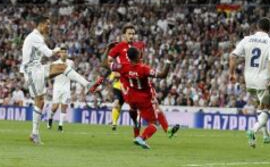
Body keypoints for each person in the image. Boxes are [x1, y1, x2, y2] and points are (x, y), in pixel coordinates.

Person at [20, 16, 102, 144]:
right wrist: (57, 50)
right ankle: (35, 133)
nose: (49, 26)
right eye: (47, 24)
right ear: (40, 25)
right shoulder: (35, 37)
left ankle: (87, 84)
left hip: (37, 69)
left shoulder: (36, 37)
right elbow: (48, 53)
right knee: (39, 101)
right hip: (32, 71)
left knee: (62, 68)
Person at [107, 23, 178, 138]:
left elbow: (139, 61)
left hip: (137, 77)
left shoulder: (139, 45)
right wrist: (116, 72)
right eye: (129, 33)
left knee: (150, 104)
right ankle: (144, 134)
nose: (131, 36)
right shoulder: (119, 47)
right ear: (124, 35)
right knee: (137, 108)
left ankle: (164, 130)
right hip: (126, 81)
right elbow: (109, 61)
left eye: (133, 34)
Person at [110, 47, 178, 149]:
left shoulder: (123, 66)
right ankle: (141, 137)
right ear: (137, 56)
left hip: (131, 97)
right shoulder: (144, 69)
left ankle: (166, 130)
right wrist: (168, 61)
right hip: (144, 98)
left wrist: (108, 53)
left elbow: (110, 65)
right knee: (154, 123)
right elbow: (163, 75)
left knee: (147, 111)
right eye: (139, 53)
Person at [229, 17, 270, 148]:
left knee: (260, 108)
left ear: (257, 26)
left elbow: (233, 56)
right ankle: (253, 130)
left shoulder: (246, 39)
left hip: (248, 80)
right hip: (263, 79)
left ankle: (267, 136)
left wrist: (231, 73)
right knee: (267, 110)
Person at [47, 47, 74, 132]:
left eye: (65, 52)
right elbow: (49, 75)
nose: (64, 54)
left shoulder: (71, 63)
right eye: (62, 52)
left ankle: (60, 125)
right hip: (57, 87)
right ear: (59, 54)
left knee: (64, 106)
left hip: (66, 87)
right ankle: (50, 118)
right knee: (55, 107)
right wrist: (50, 84)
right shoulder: (55, 63)